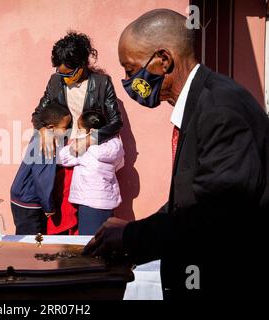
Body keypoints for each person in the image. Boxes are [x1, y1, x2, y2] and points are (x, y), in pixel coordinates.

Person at [84, 9, 269, 299]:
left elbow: (217, 217)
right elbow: (192, 203)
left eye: (131, 70)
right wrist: (132, 231)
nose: (129, 81)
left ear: (163, 60)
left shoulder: (219, 109)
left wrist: (132, 237)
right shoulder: (202, 102)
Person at [32, 31, 123, 235]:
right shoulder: (55, 81)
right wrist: (43, 131)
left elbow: (117, 122)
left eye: (67, 74)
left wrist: (91, 139)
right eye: (59, 72)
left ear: (81, 65)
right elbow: (38, 114)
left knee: (88, 224)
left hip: (90, 158)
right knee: (63, 220)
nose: (63, 79)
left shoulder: (101, 83)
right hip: (64, 156)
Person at [59, 111, 125, 235]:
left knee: (88, 240)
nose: (78, 133)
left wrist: (77, 141)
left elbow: (63, 158)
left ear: (91, 132)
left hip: (89, 202)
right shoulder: (115, 145)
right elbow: (119, 164)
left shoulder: (85, 149)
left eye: (80, 130)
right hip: (107, 201)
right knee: (103, 238)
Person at [10, 103, 71, 235]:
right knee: (32, 243)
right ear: (51, 127)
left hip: (22, 198)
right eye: (65, 128)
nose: (67, 131)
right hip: (28, 203)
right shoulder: (48, 144)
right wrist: (48, 206)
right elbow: (42, 179)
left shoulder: (40, 136)